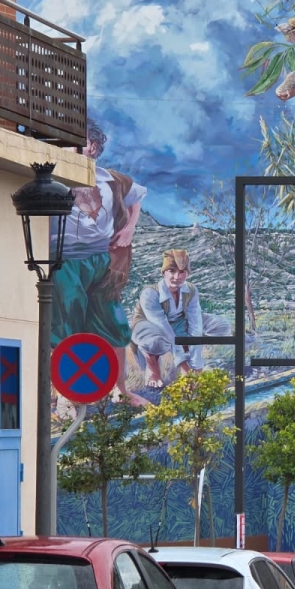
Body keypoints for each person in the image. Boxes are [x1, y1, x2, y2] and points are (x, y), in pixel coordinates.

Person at [51, 118, 147, 406]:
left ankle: (121, 389)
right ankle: (63, 396)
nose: (69, 148)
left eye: (76, 141)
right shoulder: (52, 177)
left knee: (114, 323)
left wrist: (129, 228)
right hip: (65, 260)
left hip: (101, 259)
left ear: (91, 147)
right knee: (66, 323)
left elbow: (136, 197)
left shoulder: (111, 179)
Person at [128, 249, 232, 387]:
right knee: (157, 341)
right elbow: (163, 327)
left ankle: (188, 353)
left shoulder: (191, 290)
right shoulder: (150, 294)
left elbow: (196, 324)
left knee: (222, 326)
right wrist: (184, 367)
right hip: (147, 326)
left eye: (182, 272)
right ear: (164, 272)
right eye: (172, 271)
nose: (177, 277)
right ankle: (153, 368)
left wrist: (197, 366)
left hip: (177, 324)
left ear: (187, 273)